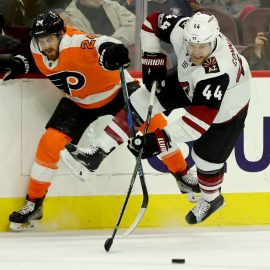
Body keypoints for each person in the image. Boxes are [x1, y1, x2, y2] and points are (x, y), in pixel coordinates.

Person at [0, 10, 198, 231]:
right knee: (50, 143)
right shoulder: (37, 48)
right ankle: (34, 203)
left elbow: (101, 43)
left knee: (156, 124)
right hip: (79, 102)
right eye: (41, 40)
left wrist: (112, 51)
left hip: (114, 92)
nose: (46, 45)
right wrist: (15, 66)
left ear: (61, 34)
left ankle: (182, 175)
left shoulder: (75, 42)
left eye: (50, 39)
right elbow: (34, 61)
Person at [125, 12, 251, 224]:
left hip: (228, 107)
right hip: (192, 81)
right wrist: (152, 58)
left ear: (214, 40)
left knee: (204, 158)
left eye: (202, 46)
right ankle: (99, 149)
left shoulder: (219, 70)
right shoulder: (183, 30)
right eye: (191, 45)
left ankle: (211, 199)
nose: (195, 51)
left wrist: (156, 141)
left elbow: (195, 125)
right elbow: (152, 21)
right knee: (143, 99)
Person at [65, 0, 136, 46]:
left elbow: (135, 26)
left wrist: (111, 41)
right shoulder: (68, 16)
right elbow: (83, 43)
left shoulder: (113, 6)